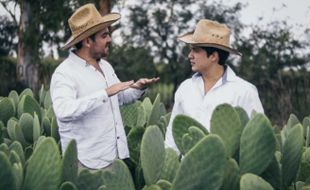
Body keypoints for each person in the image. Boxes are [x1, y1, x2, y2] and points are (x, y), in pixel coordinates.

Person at [50, 3, 159, 170]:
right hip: (85, 163)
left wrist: (138, 88)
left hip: (114, 157)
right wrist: (104, 93)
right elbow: (63, 111)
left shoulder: (106, 67)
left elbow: (119, 98)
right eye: (104, 35)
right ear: (88, 41)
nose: (109, 39)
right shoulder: (64, 73)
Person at [165, 19, 264, 153]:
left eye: (195, 50)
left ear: (213, 56)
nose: (190, 55)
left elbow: (256, 139)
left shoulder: (245, 91)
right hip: (187, 171)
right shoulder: (185, 88)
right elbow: (172, 136)